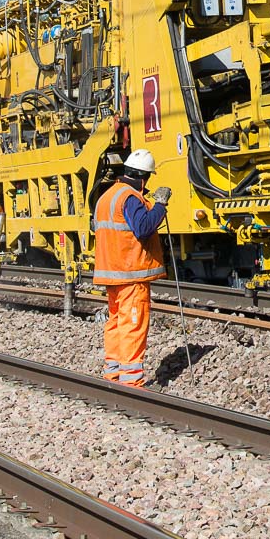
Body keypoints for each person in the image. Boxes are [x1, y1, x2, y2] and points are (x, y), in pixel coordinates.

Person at [92, 149, 171, 387]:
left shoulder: (107, 196)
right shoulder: (130, 197)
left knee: (116, 322)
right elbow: (143, 227)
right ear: (144, 178)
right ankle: (131, 381)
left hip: (112, 273)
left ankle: (113, 374)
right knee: (133, 324)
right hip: (131, 274)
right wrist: (160, 205)